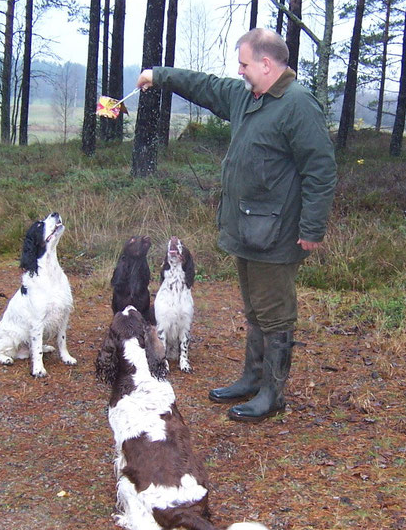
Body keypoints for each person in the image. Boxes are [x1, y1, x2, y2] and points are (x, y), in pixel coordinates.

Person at [136, 28, 337, 423]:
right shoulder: (247, 96)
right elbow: (205, 86)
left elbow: (321, 170)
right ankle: (252, 378)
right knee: (254, 311)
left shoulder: (298, 104)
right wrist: (158, 75)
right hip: (246, 229)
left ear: (266, 64)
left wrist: (312, 228)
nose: (240, 71)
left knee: (275, 314)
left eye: (245, 64)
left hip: (277, 233)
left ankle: (272, 395)